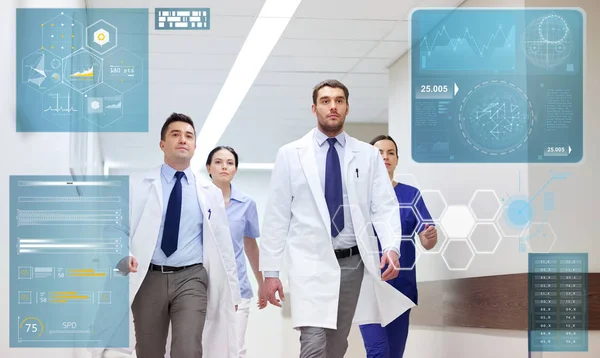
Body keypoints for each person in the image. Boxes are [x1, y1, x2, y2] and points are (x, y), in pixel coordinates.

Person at [260, 79, 416, 358]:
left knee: (336, 344)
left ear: (347, 108)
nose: (332, 106)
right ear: (314, 108)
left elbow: (384, 206)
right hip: (310, 260)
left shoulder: (367, 155)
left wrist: (391, 247)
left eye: (339, 101)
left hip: (353, 263)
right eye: (325, 101)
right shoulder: (290, 155)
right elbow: (276, 216)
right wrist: (270, 273)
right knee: (313, 340)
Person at [103, 113, 241, 358]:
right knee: (149, 350)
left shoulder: (208, 191)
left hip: (191, 277)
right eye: (175, 134)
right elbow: (115, 227)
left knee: (188, 348)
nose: (182, 140)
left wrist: (233, 291)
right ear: (162, 144)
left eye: (188, 136)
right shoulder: (137, 184)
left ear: (195, 146)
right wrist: (124, 254)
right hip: (149, 277)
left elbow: (223, 245)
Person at [359, 135, 438, 358]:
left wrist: (430, 236)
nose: (385, 157)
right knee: (378, 351)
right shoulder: (359, 197)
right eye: (379, 153)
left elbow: (427, 241)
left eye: (390, 153)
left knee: (394, 353)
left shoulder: (410, 195)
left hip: (401, 288)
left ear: (397, 159)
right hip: (369, 286)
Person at [205, 145, 267, 357]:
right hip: (202, 287)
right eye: (218, 162)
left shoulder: (247, 204)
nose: (224, 166)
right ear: (209, 168)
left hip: (238, 288)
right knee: (204, 349)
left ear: (235, 169)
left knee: (234, 349)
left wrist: (262, 282)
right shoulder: (198, 200)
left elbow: (250, 246)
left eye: (230, 163)